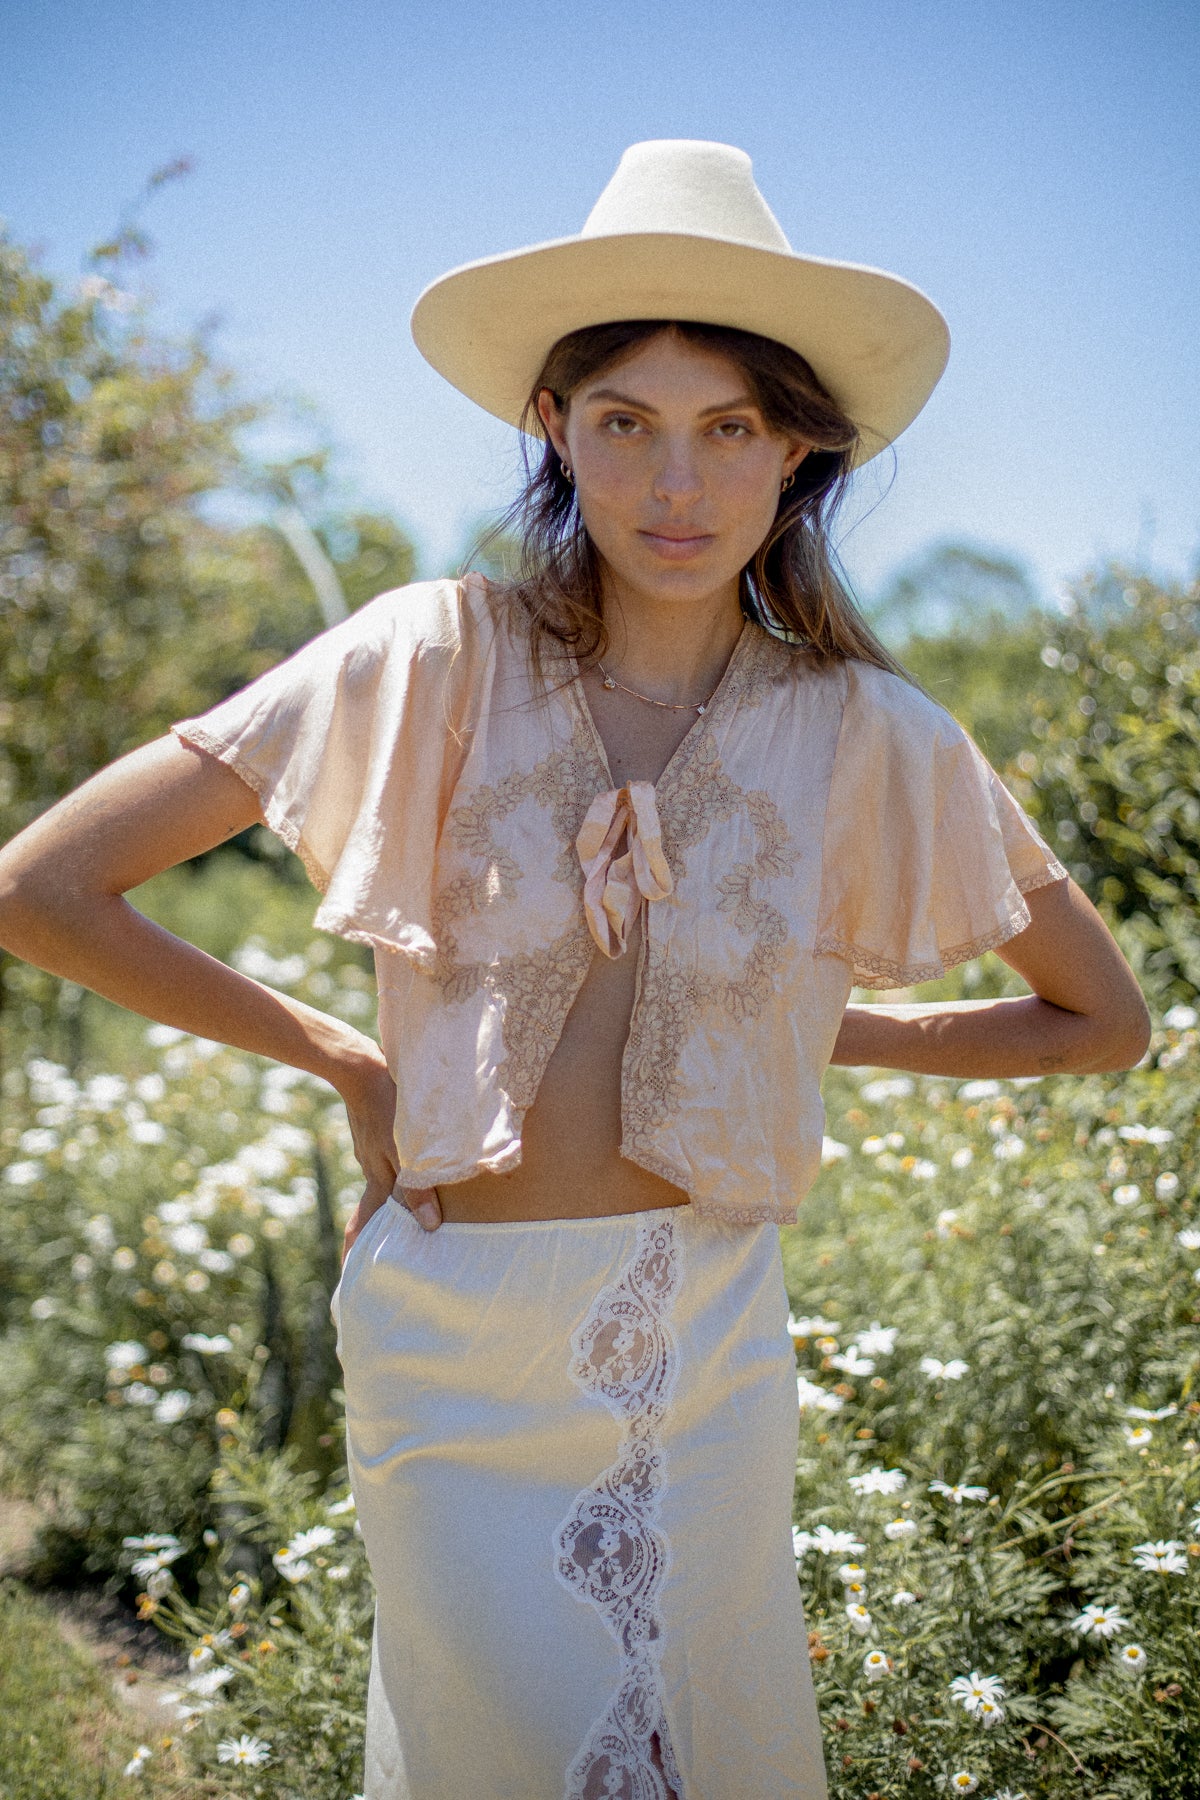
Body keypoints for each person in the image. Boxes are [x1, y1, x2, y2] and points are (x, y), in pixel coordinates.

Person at [0, 140, 1150, 1800]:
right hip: (445, 1340)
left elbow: (1097, 1023)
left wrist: (823, 1031)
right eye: (626, 423)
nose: (674, 487)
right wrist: (350, 1060)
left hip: (705, 1335)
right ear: (555, 425)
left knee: (716, 1752)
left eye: (728, 430)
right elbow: (44, 888)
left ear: (798, 451)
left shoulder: (873, 734)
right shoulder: (427, 655)